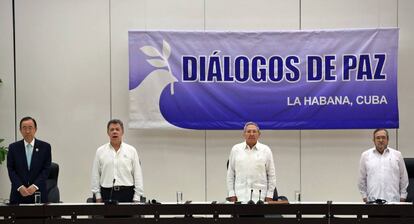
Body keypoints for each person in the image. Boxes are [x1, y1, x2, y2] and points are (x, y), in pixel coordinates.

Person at [91, 119, 144, 202]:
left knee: (128, 215)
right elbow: (95, 175)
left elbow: (137, 174)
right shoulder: (100, 151)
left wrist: (137, 196)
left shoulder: (131, 150)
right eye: (111, 129)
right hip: (107, 193)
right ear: (108, 133)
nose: (114, 132)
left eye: (117, 129)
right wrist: (97, 195)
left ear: (122, 132)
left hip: (127, 193)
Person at [227, 122, 276, 203]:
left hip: (260, 199)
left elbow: (271, 175)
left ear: (259, 134)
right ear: (244, 134)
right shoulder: (236, 149)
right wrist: (231, 193)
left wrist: (269, 195)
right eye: (248, 131)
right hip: (239, 197)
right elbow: (230, 174)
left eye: (254, 131)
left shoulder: (266, 150)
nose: (251, 134)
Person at [7, 117, 52, 204]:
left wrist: (35, 186)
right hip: (18, 194)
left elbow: (46, 169)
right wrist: (20, 187)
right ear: (20, 130)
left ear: (35, 129)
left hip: (38, 194)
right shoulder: (13, 148)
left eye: (30, 128)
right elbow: (11, 169)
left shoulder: (45, 147)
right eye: (24, 128)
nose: (27, 131)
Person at [358, 128, 409, 203]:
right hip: (373, 202)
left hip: (394, 202)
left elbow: (404, 178)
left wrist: (403, 197)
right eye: (378, 138)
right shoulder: (365, 156)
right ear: (374, 140)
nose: (381, 140)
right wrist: (364, 197)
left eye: (383, 137)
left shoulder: (397, 155)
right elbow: (361, 179)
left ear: (388, 140)